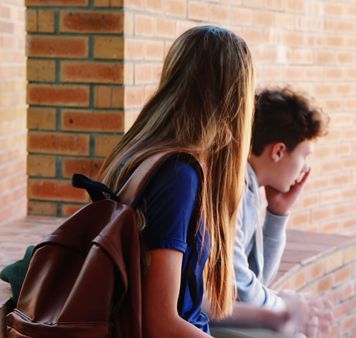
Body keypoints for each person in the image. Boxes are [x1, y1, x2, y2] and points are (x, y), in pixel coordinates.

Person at [98, 26, 297, 338]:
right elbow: (161, 322)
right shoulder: (178, 175)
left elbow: (196, 294)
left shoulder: (138, 153)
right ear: (234, 99)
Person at [229, 88, 333, 333]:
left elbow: (259, 278)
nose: (305, 168)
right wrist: (286, 306)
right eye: (304, 155)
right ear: (278, 151)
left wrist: (277, 213)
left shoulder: (250, 186)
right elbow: (242, 288)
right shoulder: (234, 190)